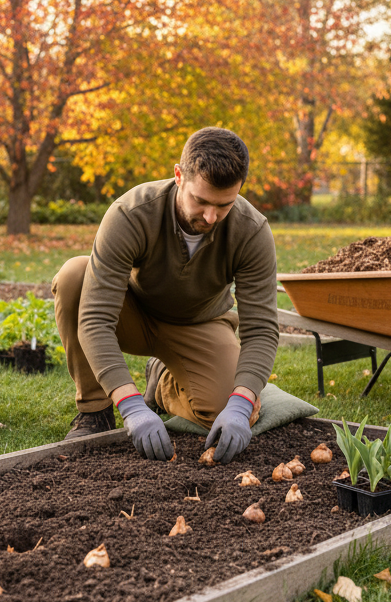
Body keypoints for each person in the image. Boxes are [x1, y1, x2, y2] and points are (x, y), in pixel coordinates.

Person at [52, 127, 279, 463]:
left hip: (201, 323)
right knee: (74, 277)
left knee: (220, 412)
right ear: (178, 176)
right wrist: (129, 405)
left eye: (224, 205)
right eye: (200, 201)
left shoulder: (252, 231)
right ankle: (95, 411)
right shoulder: (131, 213)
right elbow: (95, 317)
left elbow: (261, 329)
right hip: (132, 315)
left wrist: (241, 401)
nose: (211, 216)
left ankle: (161, 382)